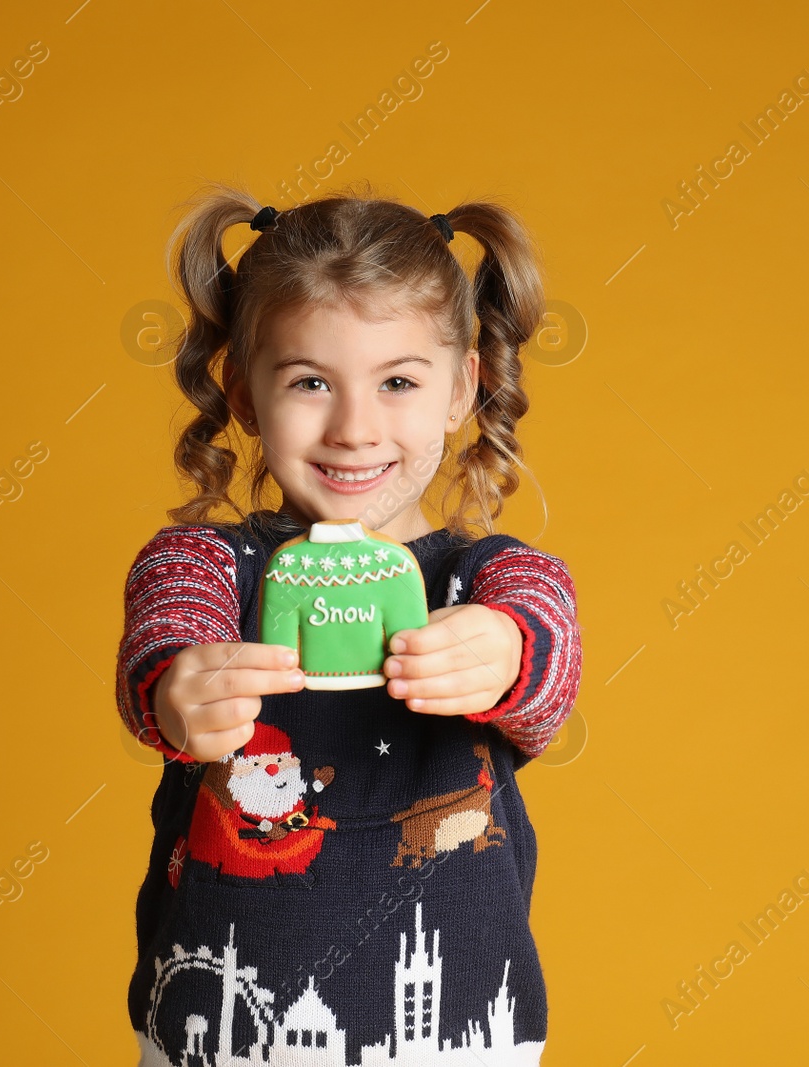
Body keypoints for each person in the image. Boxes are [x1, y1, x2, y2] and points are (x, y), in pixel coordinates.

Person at [115, 179, 582, 1064]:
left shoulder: (493, 578)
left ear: (461, 390)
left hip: (463, 1036)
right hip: (216, 1037)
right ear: (245, 395)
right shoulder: (207, 565)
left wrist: (508, 653)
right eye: (310, 381)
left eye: (399, 380)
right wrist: (182, 688)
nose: (355, 427)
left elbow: (547, 662)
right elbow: (162, 646)